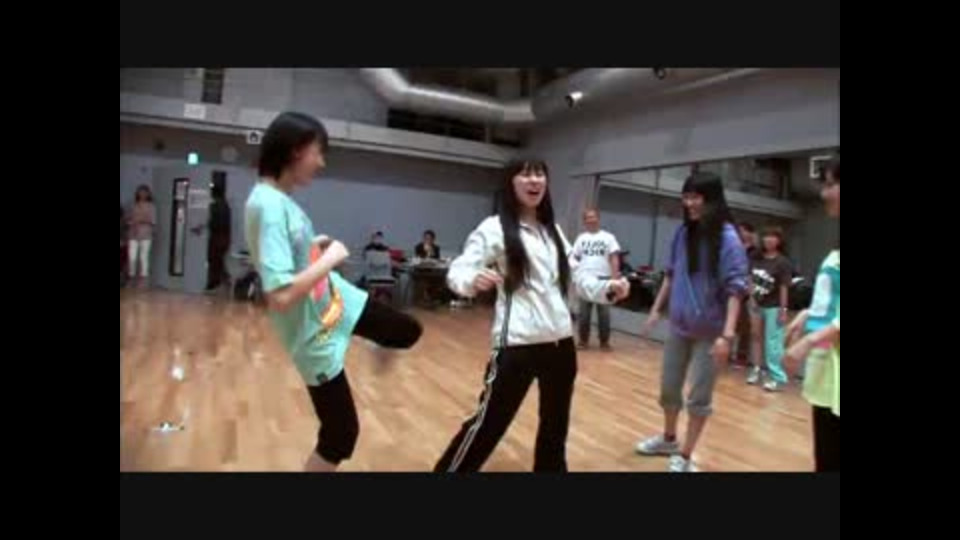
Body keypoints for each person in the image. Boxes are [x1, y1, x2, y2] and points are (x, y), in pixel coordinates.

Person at [244, 111, 423, 472]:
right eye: (318, 153)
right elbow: (280, 295)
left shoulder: (277, 199)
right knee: (341, 434)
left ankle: (375, 342)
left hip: (337, 301)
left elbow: (287, 253)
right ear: (296, 151)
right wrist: (331, 259)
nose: (321, 163)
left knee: (406, 330)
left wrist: (313, 246)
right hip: (313, 331)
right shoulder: (268, 205)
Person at [434, 157, 630, 473]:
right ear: (511, 183)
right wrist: (472, 280)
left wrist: (609, 288)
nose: (534, 180)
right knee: (488, 424)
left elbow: (576, 278)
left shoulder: (553, 231)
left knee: (555, 429)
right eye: (525, 175)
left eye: (539, 174)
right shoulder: (494, 228)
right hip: (517, 346)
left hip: (561, 346)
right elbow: (459, 270)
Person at [635, 172, 749, 472]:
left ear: (712, 199)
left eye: (696, 197)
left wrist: (726, 336)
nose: (690, 203)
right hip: (679, 327)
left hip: (711, 333)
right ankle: (669, 439)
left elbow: (736, 289)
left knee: (699, 397)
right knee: (668, 388)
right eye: (686, 197)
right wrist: (655, 310)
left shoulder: (728, 239)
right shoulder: (683, 233)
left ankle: (685, 457)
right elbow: (671, 274)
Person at [784, 157, 839, 472]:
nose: (823, 193)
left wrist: (808, 342)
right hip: (828, 374)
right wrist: (808, 314)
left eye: (831, 185)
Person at [746, 226, 793, 391]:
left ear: (779, 241)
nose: (769, 240)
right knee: (755, 335)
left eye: (773, 237)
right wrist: (751, 298)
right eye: (766, 236)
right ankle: (756, 368)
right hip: (756, 304)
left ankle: (776, 376)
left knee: (773, 341)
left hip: (774, 306)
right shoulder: (755, 257)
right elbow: (750, 279)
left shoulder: (783, 262)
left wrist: (783, 309)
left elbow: (784, 287)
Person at [571, 208, 622, 351]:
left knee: (604, 314)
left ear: (598, 218)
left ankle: (604, 342)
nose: (591, 220)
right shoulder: (581, 238)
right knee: (584, 314)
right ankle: (583, 341)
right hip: (585, 280)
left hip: (604, 280)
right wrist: (576, 277)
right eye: (587, 218)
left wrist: (614, 279)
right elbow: (574, 258)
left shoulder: (608, 237)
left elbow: (614, 258)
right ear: (584, 221)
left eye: (593, 217)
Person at [192, 177, 233, 292]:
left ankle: (216, 282)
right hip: (225, 237)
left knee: (215, 260)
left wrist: (200, 228)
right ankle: (224, 280)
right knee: (219, 260)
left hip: (217, 237)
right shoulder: (226, 206)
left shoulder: (215, 206)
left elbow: (213, 222)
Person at [732, 222, 757, 367]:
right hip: (732, 288)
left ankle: (741, 356)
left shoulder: (755, 252)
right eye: (740, 231)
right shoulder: (734, 247)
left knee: (745, 325)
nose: (742, 233)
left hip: (747, 291)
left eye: (744, 231)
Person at [127, 185, 156, 287]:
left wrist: (142, 220)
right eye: (140, 192)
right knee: (132, 257)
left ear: (148, 194)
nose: (142, 194)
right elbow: (129, 219)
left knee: (144, 257)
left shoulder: (151, 206)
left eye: (144, 192)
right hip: (133, 233)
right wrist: (132, 222)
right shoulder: (133, 205)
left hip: (146, 233)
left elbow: (153, 221)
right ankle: (131, 277)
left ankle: (143, 280)